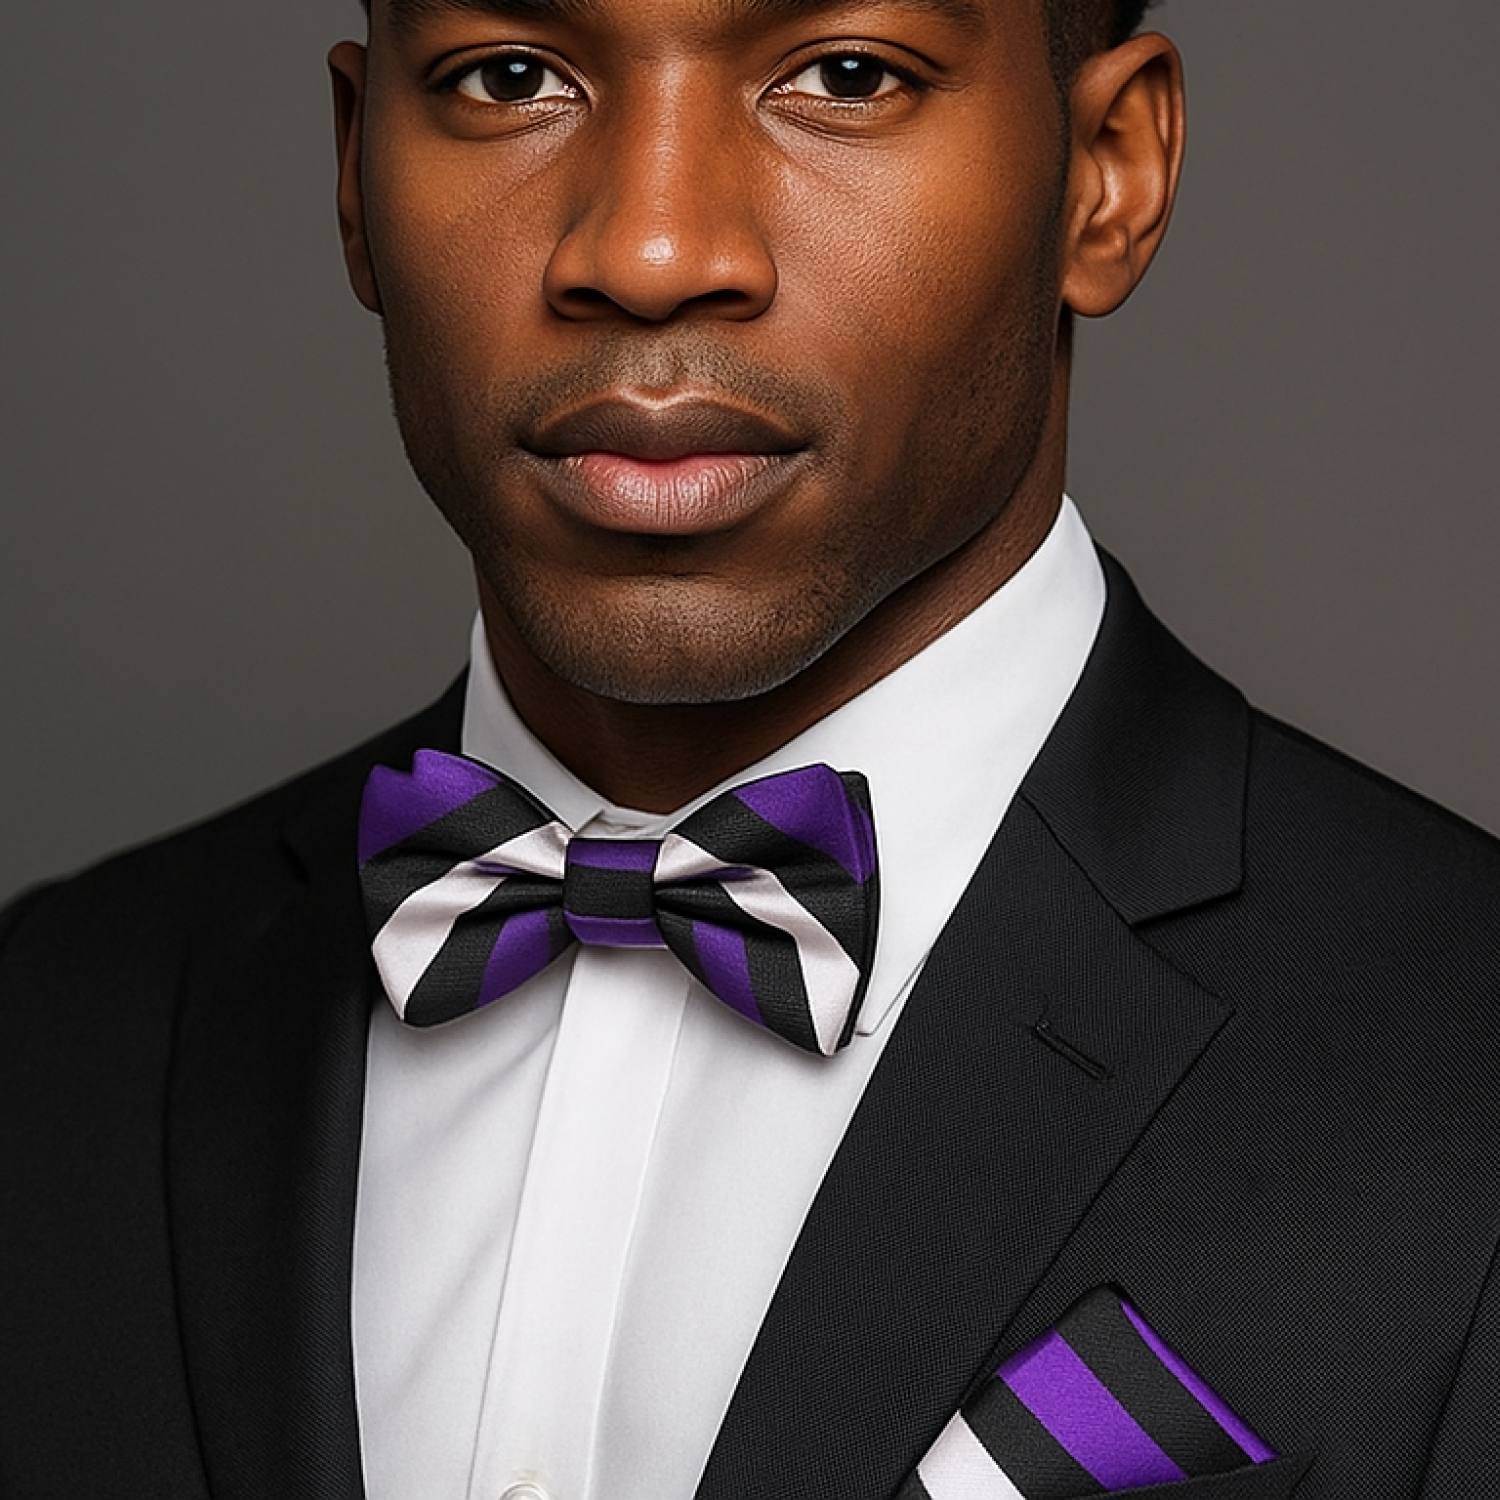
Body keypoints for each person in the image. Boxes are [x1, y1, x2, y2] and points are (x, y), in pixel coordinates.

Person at [1, 0, 1496, 1496]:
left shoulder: (1460, 1076)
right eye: (510, 77)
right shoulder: (54, 1030)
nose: (649, 253)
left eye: (847, 77)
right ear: (354, 171)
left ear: (1107, 172)